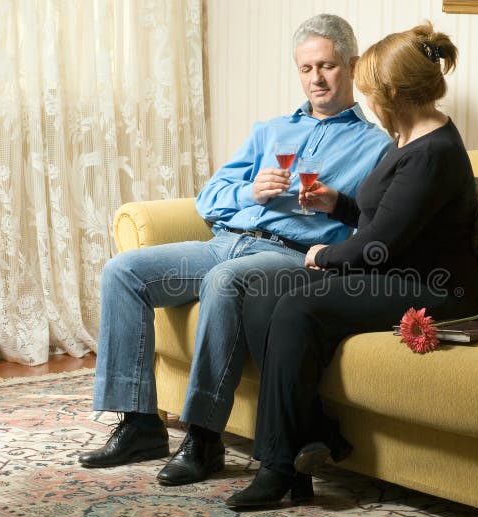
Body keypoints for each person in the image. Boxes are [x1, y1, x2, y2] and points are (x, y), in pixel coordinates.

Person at [78, 13, 390, 492]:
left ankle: (204, 437)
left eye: (326, 66)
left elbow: (373, 224)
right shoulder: (270, 132)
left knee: (227, 281)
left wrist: (333, 205)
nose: (316, 79)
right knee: (124, 271)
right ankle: (140, 425)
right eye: (306, 69)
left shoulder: (375, 147)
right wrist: (251, 192)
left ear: (351, 64)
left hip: (290, 257)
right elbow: (209, 197)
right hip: (226, 240)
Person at [224, 22, 478, 509]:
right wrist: (335, 204)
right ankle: (313, 435)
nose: (367, 104)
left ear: (392, 93)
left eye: (369, 93)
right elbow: (383, 217)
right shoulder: (406, 139)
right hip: (390, 272)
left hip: (431, 288)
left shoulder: (433, 153)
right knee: (263, 290)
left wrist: (322, 254)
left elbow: (378, 244)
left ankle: (278, 465)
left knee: (299, 305)